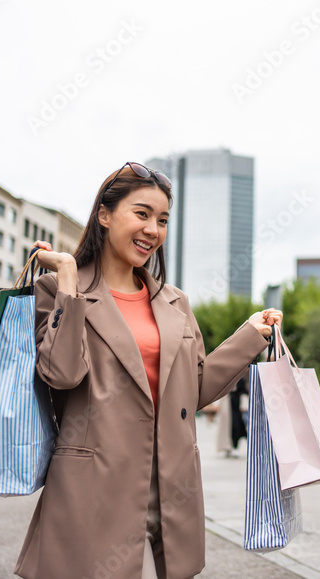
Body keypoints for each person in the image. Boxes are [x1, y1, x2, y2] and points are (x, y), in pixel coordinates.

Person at [14, 162, 281, 579]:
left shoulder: (174, 302)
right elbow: (62, 375)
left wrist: (250, 335)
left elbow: (192, 392)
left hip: (172, 491)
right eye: (141, 214)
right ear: (104, 215)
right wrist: (66, 277)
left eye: (162, 220)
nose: (153, 230)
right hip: (95, 491)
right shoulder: (59, 290)